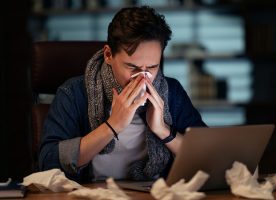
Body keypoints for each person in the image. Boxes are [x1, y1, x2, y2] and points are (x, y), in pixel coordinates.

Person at [39, 6, 206, 182]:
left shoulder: (172, 92)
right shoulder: (73, 93)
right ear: (109, 55)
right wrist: (112, 126)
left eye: (152, 67)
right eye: (132, 67)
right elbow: (48, 163)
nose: (143, 77)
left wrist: (164, 131)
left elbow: (207, 158)